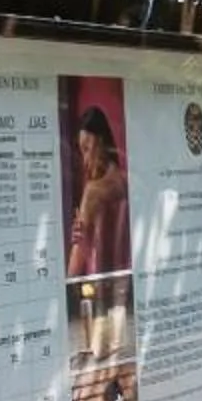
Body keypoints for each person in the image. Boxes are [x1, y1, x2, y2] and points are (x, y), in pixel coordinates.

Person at [67, 105, 130, 357]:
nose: (84, 159)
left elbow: (78, 256)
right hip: (125, 304)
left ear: (101, 141)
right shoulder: (127, 181)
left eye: (86, 148)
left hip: (99, 309)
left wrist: (64, 285)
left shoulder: (93, 191)